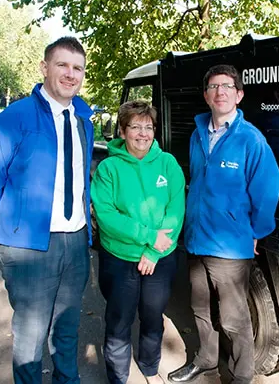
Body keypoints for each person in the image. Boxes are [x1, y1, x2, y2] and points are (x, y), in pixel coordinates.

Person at [0, 37, 94, 383]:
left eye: (77, 68)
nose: (70, 74)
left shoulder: (83, 118)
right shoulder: (14, 117)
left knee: (67, 331)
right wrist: (11, 228)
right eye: (62, 65)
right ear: (44, 68)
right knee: (30, 336)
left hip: (74, 244)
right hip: (29, 249)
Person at [168, 65, 279, 384]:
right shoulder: (198, 132)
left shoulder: (250, 140)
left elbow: (267, 188)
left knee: (234, 320)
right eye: (214, 87)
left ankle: (241, 377)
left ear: (239, 94)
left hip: (229, 246)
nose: (220, 92)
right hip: (196, 239)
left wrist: (256, 232)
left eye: (227, 86)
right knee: (201, 309)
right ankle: (205, 360)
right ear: (206, 96)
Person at [91, 101, 185, 384]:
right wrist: (148, 237)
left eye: (148, 127)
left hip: (159, 257)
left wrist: (153, 252)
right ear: (122, 130)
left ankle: (148, 367)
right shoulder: (109, 168)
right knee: (119, 321)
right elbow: (107, 216)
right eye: (135, 127)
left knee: (153, 317)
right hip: (119, 260)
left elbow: (175, 211)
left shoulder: (168, 164)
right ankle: (118, 377)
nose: (143, 134)